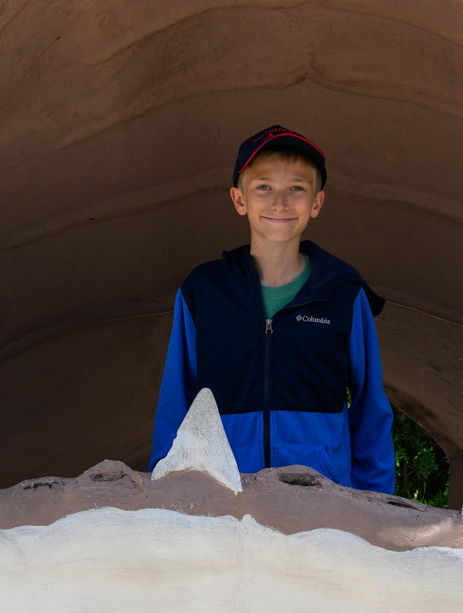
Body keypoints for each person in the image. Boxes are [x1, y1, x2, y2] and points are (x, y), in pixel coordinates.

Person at [151, 124, 395, 491]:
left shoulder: (343, 293)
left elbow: (370, 408)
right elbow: (175, 402)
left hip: (322, 503)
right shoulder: (203, 291)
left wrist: (376, 504)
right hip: (223, 498)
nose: (280, 202)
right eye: (263, 187)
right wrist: (163, 491)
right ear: (239, 200)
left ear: (317, 202)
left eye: (296, 188)